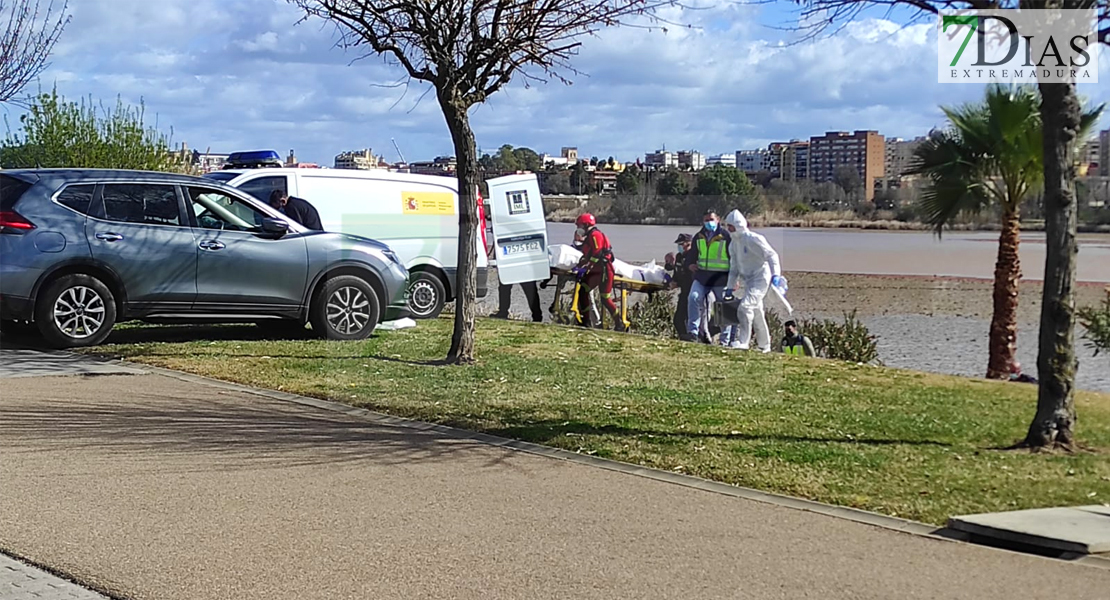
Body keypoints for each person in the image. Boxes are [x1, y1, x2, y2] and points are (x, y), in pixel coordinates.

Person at [723, 209, 782, 352]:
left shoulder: (753, 239)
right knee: (757, 312)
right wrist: (729, 287)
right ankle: (765, 345)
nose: (729, 229)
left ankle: (744, 342)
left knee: (745, 308)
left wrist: (776, 275)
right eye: (727, 226)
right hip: (748, 280)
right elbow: (734, 267)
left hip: (761, 277)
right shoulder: (733, 244)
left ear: (738, 225)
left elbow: (771, 255)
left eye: (731, 226)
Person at [685, 211, 733, 345]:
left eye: (711, 219)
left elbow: (734, 258)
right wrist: (690, 265)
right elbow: (691, 256)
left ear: (718, 219)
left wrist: (735, 279)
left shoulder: (726, 236)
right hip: (702, 277)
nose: (708, 222)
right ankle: (693, 333)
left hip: (721, 278)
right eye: (706, 220)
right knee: (693, 297)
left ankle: (725, 340)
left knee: (723, 307)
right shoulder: (698, 237)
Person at [572, 213, 626, 332]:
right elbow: (589, 255)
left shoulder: (595, 235)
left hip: (604, 271)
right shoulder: (590, 236)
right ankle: (585, 321)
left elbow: (596, 254)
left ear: (586, 225)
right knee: (583, 291)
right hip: (597, 271)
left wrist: (587, 267)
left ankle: (619, 324)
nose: (578, 228)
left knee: (605, 298)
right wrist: (580, 265)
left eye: (579, 225)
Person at [665, 233, 694, 339]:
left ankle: (691, 338)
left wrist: (678, 283)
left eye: (681, 244)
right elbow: (677, 274)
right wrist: (673, 281)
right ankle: (684, 338)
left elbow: (690, 277)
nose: (680, 247)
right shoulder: (679, 257)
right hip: (683, 292)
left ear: (689, 244)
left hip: (692, 292)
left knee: (687, 319)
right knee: (678, 320)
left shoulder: (694, 257)